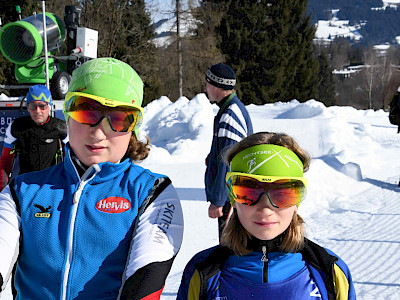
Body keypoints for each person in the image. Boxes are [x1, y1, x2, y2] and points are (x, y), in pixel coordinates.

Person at [0, 58, 184, 299]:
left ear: (133, 128)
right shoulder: (20, 192)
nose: (98, 132)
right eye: (87, 112)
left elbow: (145, 282)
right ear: (68, 114)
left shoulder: (152, 193)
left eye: (118, 119)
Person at [178, 132, 356, 299]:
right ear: (232, 197)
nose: (265, 208)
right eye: (248, 191)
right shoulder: (202, 272)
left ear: (297, 202)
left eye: (283, 193)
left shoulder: (329, 271)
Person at [204, 63, 253, 239]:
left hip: (230, 197)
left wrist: (218, 200)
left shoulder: (230, 115)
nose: (206, 88)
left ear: (218, 87)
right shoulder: (230, 110)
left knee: (230, 245)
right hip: (232, 194)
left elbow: (228, 162)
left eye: (208, 84)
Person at [0, 84, 68, 190]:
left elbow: (72, 160)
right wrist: (2, 187)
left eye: (42, 106)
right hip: (25, 186)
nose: (37, 111)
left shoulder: (61, 128)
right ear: (28, 108)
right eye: (33, 106)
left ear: (49, 106)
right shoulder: (16, 127)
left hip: (51, 186)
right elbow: (5, 160)